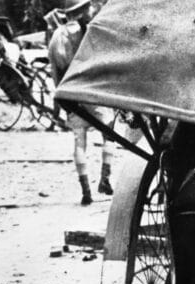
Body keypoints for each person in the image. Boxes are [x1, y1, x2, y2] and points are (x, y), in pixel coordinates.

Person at [48, 0, 115, 205]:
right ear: (84, 9)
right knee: (109, 134)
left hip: (71, 96)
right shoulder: (90, 32)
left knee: (79, 143)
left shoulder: (57, 37)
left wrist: (61, 97)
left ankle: (86, 191)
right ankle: (105, 180)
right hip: (93, 94)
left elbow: (55, 73)